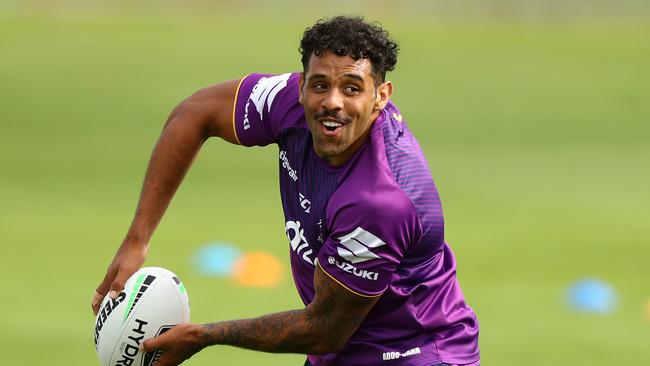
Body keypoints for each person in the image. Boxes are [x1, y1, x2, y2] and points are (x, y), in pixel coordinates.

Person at [91, 16, 480, 366]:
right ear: (301, 87)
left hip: (417, 354)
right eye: (320, 85)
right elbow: (193, 114)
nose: (332, 102)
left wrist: (203, 335)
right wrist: (137, 239)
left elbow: (326, 328)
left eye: (352, 88)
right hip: (337, 352)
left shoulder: (380, 200)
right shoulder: (287, 103)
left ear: (380, 96)